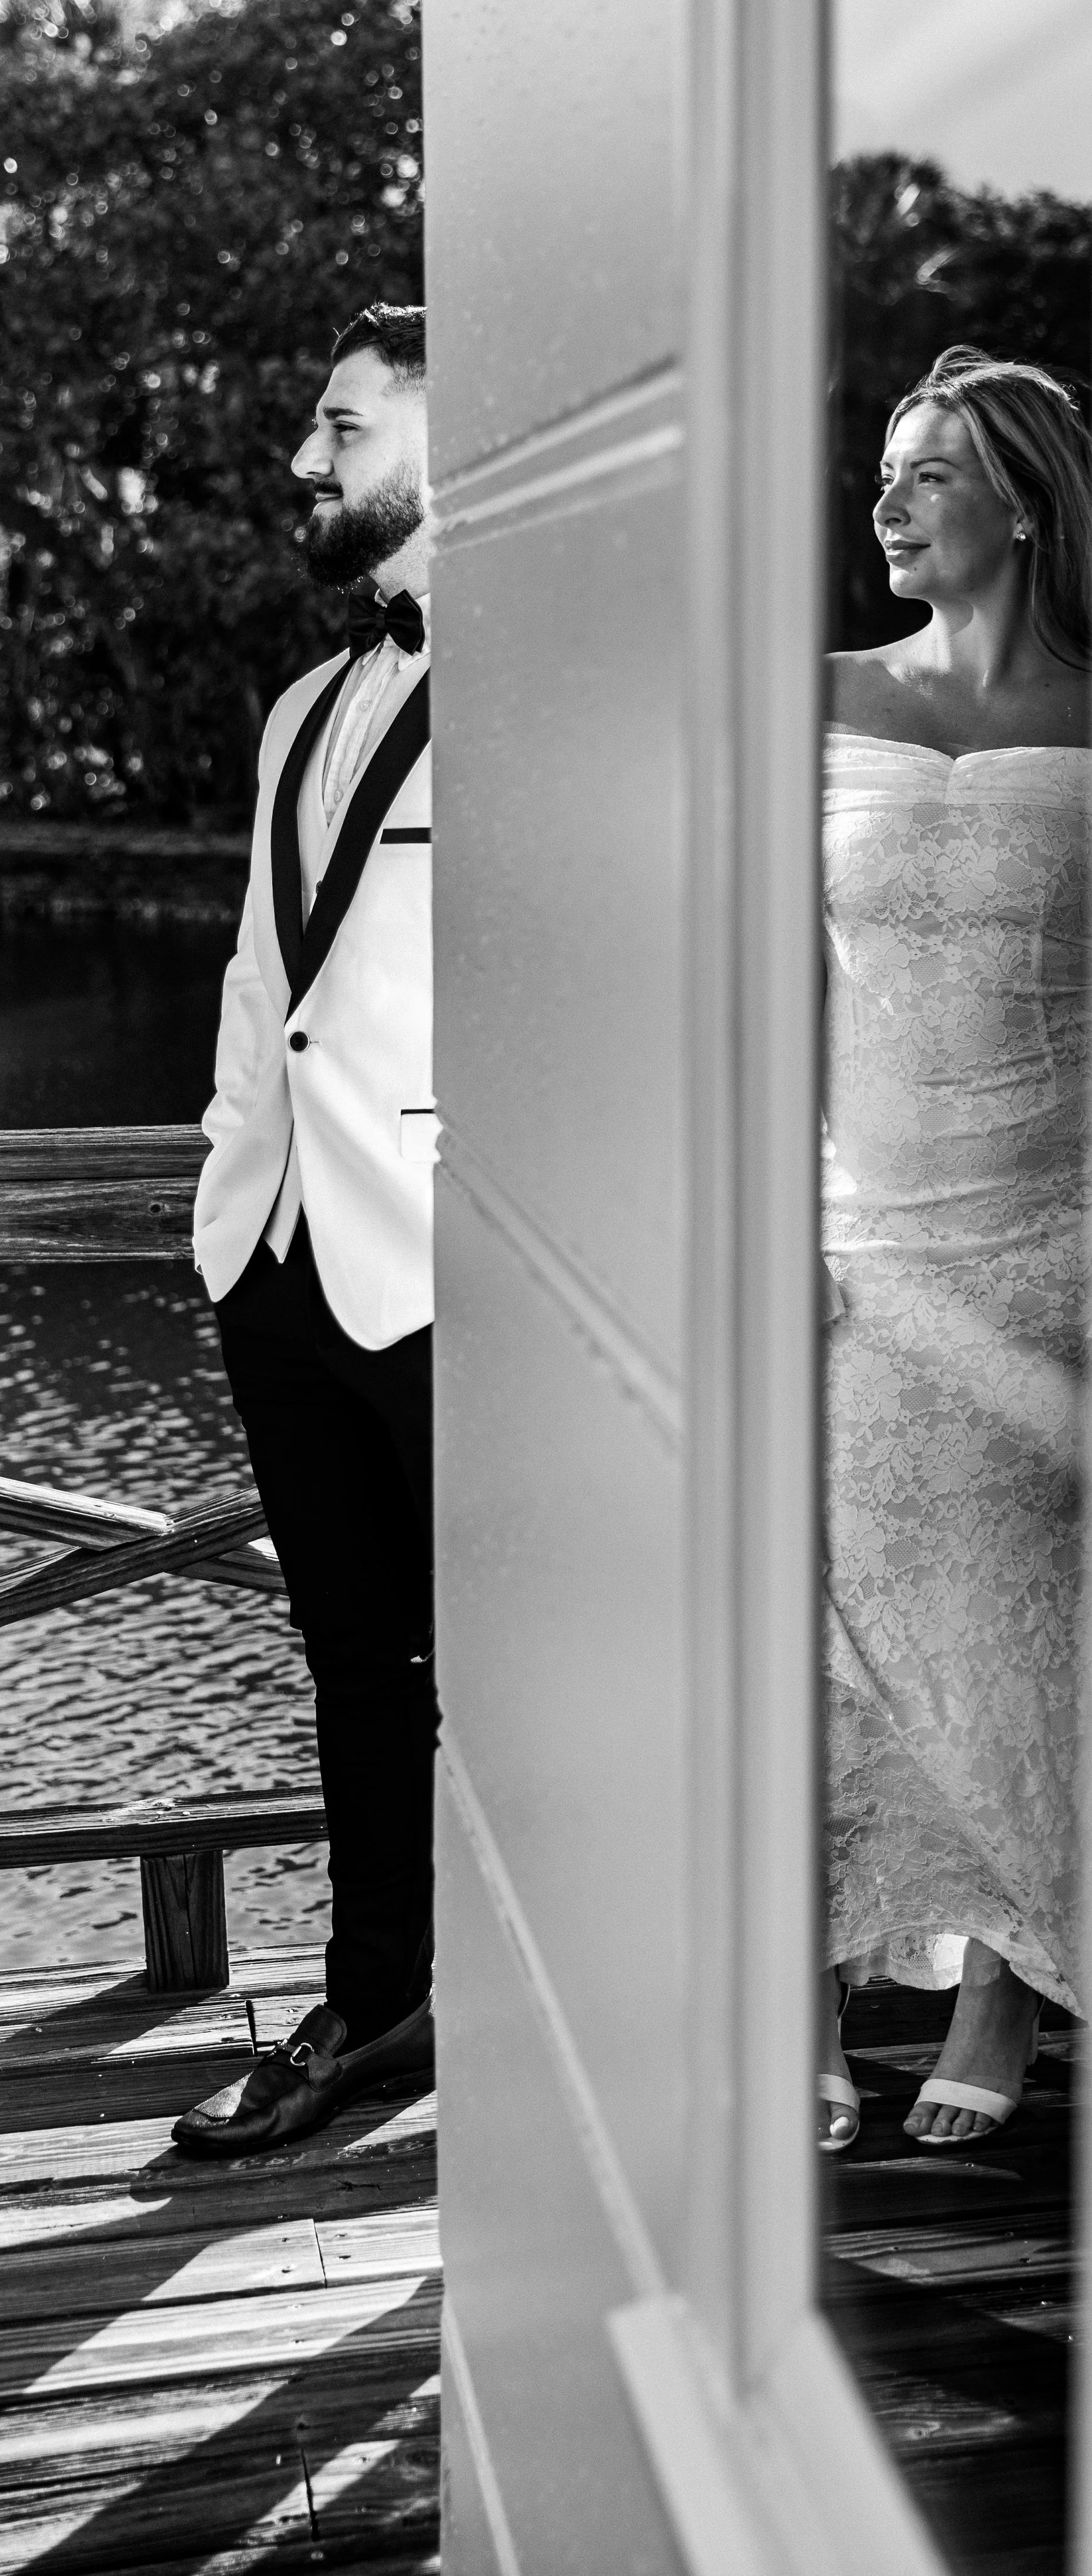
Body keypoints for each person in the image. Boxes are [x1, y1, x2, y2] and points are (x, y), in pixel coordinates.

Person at [818, 345, 1092, 2151]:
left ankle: (1001, 1986)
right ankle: (801, 2005)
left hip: (1055, 1238)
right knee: (821, 1627)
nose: (888, 501)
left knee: (1018, 1626)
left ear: (1019, 502)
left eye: (928, 475)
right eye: (886, 471)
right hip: (853, 1234)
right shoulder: (816, 692)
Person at [175, 301, 437, 2154]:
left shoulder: (578, 684)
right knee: (353, 1660)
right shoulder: (299, 706)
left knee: (529, 1672)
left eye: (341, 427)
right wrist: (219, 1201)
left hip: (453, 1267)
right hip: (274, 1258)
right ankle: (377, 2004)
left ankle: (585, 2013)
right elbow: (265, 978)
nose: (303, 461)